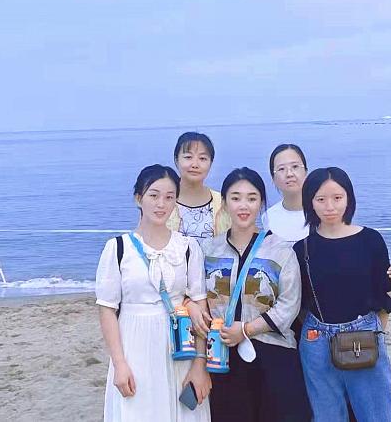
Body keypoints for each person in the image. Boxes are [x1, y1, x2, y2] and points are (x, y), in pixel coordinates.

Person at [95, 164, 211, 422]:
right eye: (154, 195)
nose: (161, 204)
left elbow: (201, 308)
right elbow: (107, 310)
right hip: (134, 346)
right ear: (139, 198)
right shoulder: (118, 248)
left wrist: (199, 364)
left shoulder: (188, 248)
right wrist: (119, 364)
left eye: (169, 197)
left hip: (181, 349)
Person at [202, 167, 311, 422]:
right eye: (236, 197)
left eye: (252, 198)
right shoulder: (209, 250)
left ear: (261, 203)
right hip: (222, 356)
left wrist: (246, 329)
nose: (244, 205)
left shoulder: (281, 250)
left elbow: (289, 305)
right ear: (224, 203)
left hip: (274, 355)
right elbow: (198, 296)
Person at [293, 167, 391, 422]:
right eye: (320, 199)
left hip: (364, 335)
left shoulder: (371, 240)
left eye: (337, 198)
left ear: (348, 198)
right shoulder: (302, 248)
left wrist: (376, 332)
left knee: (377, 414)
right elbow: (299, 302)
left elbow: (383, 295)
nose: (329, 206)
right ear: (310, 202)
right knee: (327, 415)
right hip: (316, 341)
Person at [167, 132, 231, 240]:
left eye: (202, 158)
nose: (195, 164)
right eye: (188, 157)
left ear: (211, 163)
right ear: (176, 160)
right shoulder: (162, 201)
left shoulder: (223, 203)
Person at [262, 143, 310, 242]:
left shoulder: (321, 211)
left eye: (295, 166)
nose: (289, 174)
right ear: (273, 178)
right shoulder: (269, 217)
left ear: (306, 172)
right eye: (281, 169)